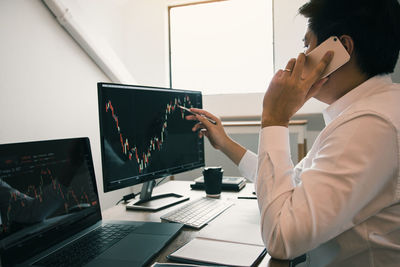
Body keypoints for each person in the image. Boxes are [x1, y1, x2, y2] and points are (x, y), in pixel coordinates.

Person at [186, 0, 400, 266]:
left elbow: (281, 237)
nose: (301, 58)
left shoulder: (371, 124)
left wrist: (274, 117)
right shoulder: (370, 110)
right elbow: (292, 183)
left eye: (307, 45)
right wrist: (226, 144)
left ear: (342, 49)